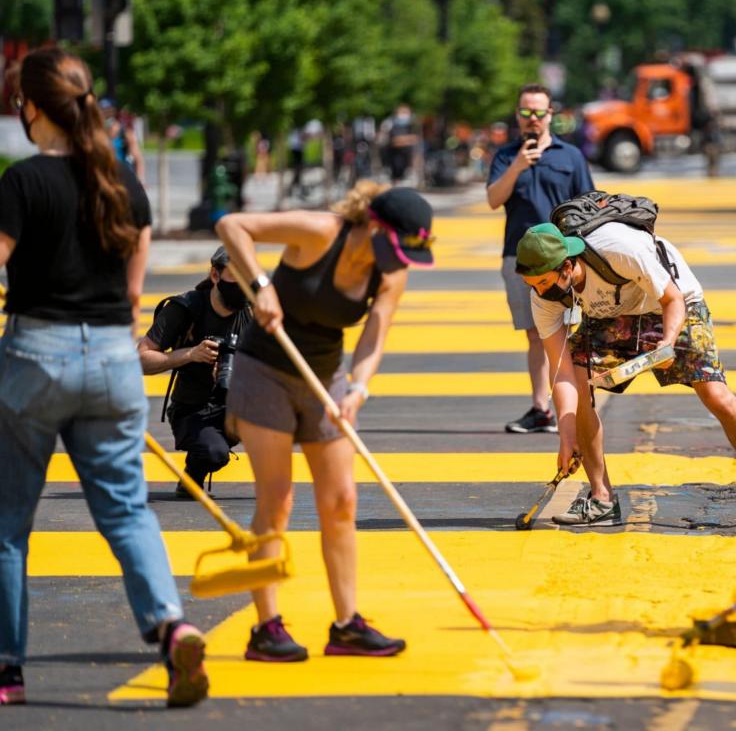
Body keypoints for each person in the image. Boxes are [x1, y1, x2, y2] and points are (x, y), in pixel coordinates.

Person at [0, 47, 207, 707]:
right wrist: (125, 310)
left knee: (7, 524)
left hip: (36, 356)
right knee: (125, 510)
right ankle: (172, 629)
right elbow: (137, 263)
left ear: (32, 108)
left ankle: (7, 669)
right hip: (115, 361)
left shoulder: (22, 182)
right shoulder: (120, 180)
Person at [215, 181, 432, 663]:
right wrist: (262, 286)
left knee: (341, 501)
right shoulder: (319, 233)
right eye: (396, 248)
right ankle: (265, 628)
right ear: (374, 226)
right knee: (277, 498)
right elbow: (231, 226)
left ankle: (346, 625)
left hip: (327, 375)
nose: (399, 261)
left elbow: (376, 331)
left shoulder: (391, 270)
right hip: (265, 370)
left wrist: (357, 389)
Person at [515, 196, 736, 527]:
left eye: (545, 283)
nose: (542, 292)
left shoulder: (620, 249)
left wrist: (667, 345)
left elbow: (672, 299)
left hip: (672, 305)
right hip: (611, 316)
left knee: (715, 393)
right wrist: (567, 433)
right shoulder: (542, 296)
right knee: (579, 374)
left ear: (568, 265)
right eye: (533, 286)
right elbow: (559, 370)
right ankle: (601, 497)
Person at [487, 84, 595, 435]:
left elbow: (588, 205)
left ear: (551, 115)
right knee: (536, 334)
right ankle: (540, 408)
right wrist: (517, 166)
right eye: (525, 112)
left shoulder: (571, 157)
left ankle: (576, 405)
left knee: (570, 332)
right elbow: (493, 199)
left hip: (563, 259)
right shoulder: (506, 157)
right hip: (518, 260)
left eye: (538, 112)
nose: (531, 119)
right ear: (517, 115)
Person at [138, 246, 252, 498]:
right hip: (192, 407)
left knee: (285, 418)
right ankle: (193, 473)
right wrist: (190, 354)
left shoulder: (254, 311)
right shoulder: (185, 308)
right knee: (213, 453)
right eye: (237, 275)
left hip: (237, 403)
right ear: (215, 275)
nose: (244, 284)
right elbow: (141, 359)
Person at [100, 97, 145, 183]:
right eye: (102, 110)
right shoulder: (97, 132)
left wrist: (140, 181)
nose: (105, 113)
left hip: (121, 177)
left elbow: (138, 158)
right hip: (104, 177)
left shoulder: (124, 132)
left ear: (114, 111)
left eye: (107, 110)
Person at [381, 104, 419, 185]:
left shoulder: (411, 125)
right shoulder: (390, 123)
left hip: (407, 164)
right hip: (394, 161)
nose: (405, 115)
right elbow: (394, 141)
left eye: (407, 113)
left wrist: (403, 139)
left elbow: (416, 138)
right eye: (403, 112)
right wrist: (408, 139)